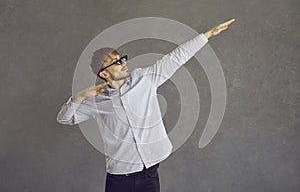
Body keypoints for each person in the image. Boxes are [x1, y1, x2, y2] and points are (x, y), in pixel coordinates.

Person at [57, 19, 235, 192]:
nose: (124, 63)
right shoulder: (97, 102)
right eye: (117, 62)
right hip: (118, 178)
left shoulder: (144, 79)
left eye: (123, 59)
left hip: (149, 175)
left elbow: (175, 58)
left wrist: (207, 35)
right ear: (104, 73)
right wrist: (80, 96)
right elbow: (65, 118)